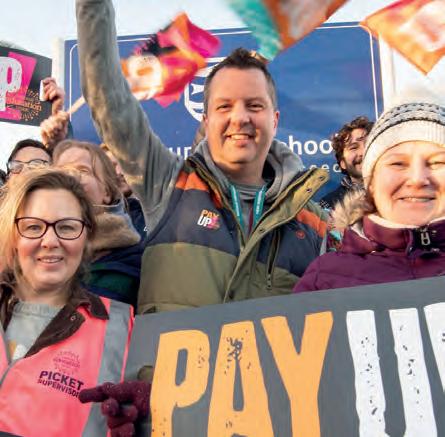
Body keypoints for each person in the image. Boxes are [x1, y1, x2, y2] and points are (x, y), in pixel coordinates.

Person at [75, 0, 329, 313]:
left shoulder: (315, 223)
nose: (240, 118)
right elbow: (107, 97)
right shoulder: (169, 185)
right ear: (206, 121)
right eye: (224, 106)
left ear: (274, 120)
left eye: (254, 105)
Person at [0, 169, 132, 436]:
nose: (50, 241)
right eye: (33, 227)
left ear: (87, 237)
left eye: (67, 227)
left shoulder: (121, 326)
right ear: (13, 236)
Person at [295, 88, 445, 293]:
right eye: (398, 163)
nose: (417, 179)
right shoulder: (324, 277)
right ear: (372, 180)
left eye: (437, 162)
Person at [53, 140, 143, 308]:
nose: (70, 176)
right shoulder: (31, 248)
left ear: (107, 192)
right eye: (62, 171)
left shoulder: (131, 262)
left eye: (82, 170)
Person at [320, 116, 374, 210]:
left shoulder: (396, 190)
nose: (363, 152)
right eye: (354, 147)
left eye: (368, 144)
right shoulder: (329, 204)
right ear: (343, 163)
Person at [100, 143, 147, 239]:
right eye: (111, 166)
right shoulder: (90, 219)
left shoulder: (153, 213)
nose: (119, 172)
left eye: (125, 165)